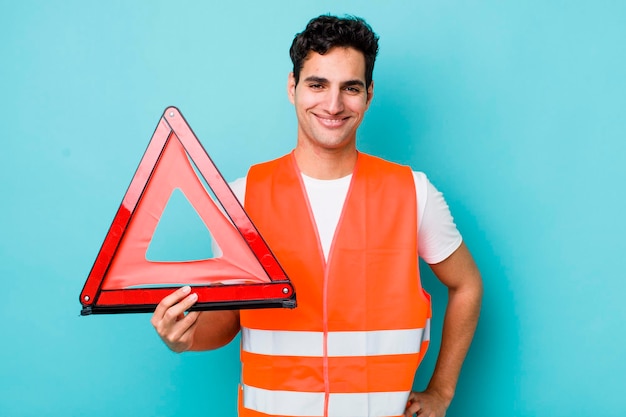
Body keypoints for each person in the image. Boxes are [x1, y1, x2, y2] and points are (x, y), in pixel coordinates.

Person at [151, 14, 482, 417]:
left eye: (351, 88)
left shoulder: (413, 192)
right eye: (317, 84)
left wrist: (442, 392)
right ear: (292, 88)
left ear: (369, 94)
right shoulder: (242, 198)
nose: (333, 104)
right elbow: (229, 319)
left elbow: (467, 285)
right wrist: (182, 337)